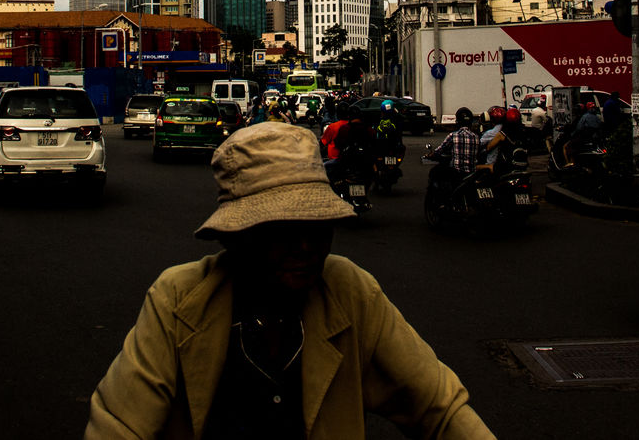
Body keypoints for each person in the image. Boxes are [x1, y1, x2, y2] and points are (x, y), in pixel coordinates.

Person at [86, 125, 494, 438]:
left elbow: (441, 409)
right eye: (280, 230)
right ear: (235, 237)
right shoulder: (178, 300)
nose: (304, 247)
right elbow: (119, 424)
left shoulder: (351, 292)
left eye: (316, 226)